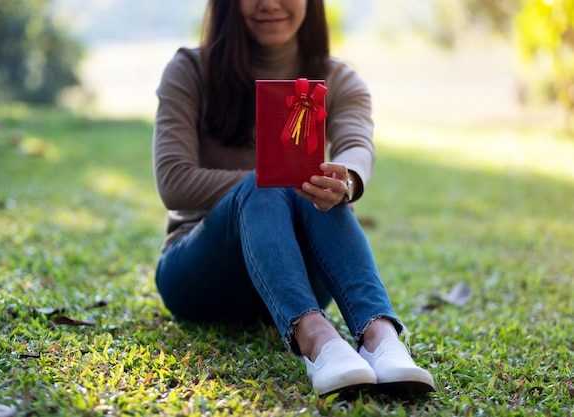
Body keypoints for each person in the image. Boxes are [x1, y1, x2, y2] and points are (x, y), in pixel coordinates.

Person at [152, 0, 435, 396]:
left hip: (296, 275)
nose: (270, 3)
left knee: (314, 183)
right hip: (200, 277)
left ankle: (380, 338)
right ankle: (317, 339)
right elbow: (174, 181)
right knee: (275, 182)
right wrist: (273, 181)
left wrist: (345, 181)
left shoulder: (339, 78)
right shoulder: (190, 71)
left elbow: (356, 146)